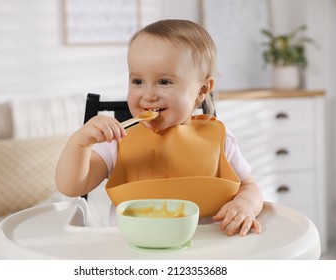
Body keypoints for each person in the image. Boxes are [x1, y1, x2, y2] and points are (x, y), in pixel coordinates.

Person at [55, 19, 263, 237]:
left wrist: (245, 205)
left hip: (204, 251)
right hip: (133, 252)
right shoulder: (117, 142)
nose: (149, 95)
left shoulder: (220, 139)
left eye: (164, 82)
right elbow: (72, 187)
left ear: (202, 89)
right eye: (137, 81)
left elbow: (250, 188)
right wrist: (80, 143)